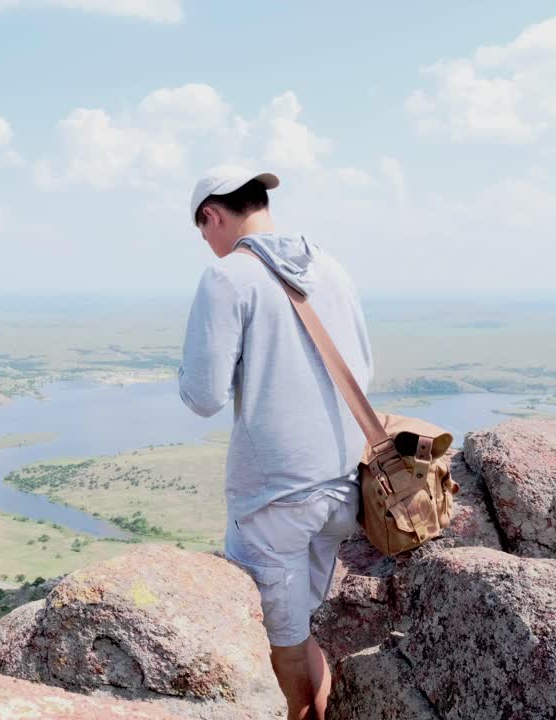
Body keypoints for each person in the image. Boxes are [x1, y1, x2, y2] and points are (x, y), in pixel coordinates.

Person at [178, 167, 373, 720]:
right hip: (343, 488)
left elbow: (204, 395)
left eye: (203, 231)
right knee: (306, 623)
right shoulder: (331, 266)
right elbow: (364, 365)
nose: (210, 245)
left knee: (284, 639)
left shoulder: (228, 278)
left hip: (276, 500)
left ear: (213, 215)